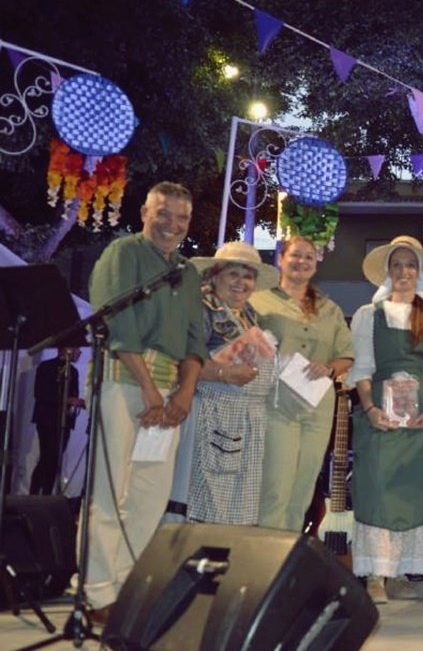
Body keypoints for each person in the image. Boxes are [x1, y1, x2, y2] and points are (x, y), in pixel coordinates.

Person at [85, 181, 206, 623]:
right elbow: (117, 323)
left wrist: (185, 392)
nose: (172, 225)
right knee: (109, 487)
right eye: (164, 214)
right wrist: (150, 391)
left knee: (150, 494)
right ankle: (98, 591)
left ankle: (129, 584)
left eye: (182, 218)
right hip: (123, 381)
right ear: (145, 212)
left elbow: (197, 337)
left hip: (171, 390)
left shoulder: (188, 271)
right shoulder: (124, 253)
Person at [349, 236, 423, 604]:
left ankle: (401, 571)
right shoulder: (368, 315)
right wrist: (370, 407)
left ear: (419, 271)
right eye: (398, 266)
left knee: (413, 491)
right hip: (381, 413)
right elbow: (362, 367)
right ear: (389, 272)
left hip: (422, 415)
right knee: (378, 489)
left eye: (411, 266)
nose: (405, 272)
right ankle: (376, 574)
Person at [252, 235, 354, 532]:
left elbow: (346, 354)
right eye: (295, 255)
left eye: (309, 257)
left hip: (318, 406)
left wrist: (330, 367)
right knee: (275, 486)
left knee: (304, 490)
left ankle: (289, 559)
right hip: (277, 404)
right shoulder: (259, 300)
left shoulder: (328, 307)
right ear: (280, 259)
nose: (302, 262)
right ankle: (266, 560)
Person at [180, 241, 280, 525]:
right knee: (207, 504)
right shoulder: (203, 307)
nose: (242, 282)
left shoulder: (249, 314)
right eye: (233, 274)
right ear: (214, 275)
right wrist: (224, 373)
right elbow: (184, 360)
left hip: (244, 419)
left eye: (248, 276)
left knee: (236, 508)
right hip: (213, 414)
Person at [29, 347, 84, 496]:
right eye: (76, 349)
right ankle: (34, 494)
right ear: (65, 349)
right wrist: (68, 400)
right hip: (47, 419)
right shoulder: (46, 367)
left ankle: (47, 494)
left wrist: (77, 402)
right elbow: (40, 393)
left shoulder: (73, 372)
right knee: (47, 457)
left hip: (65, 421)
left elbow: (73, 395)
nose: (79, 353)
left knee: (55, 460)